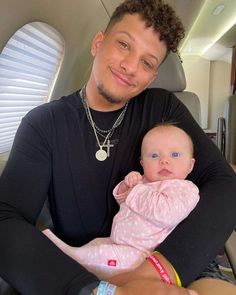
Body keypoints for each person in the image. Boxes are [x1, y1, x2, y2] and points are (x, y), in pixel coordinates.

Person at [0, 0, 236, 294]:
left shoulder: (162, 108)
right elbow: (6, 218)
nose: (130, 66)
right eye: (124, 45)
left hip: (175, 258)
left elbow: (226, 183)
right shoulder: (44, 123)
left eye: (148, 63)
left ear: (152, 77)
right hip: (86, 268)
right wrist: (98, 290)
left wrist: (157, 271)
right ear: (99, 42)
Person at [43, 123, 199, 279]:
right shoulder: (145, 181)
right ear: (143, 163)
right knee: (96, 243)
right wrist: (125, 186)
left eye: (175, 155)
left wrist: (136, 190)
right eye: (154, 156)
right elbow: (125, 202)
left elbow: (166, 214)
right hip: (117, 240)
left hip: (140, 254)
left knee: (100, 254)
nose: (164, 161)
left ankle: (68, 256)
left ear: (190, 165)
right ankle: (75, 256)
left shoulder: (185, 189)